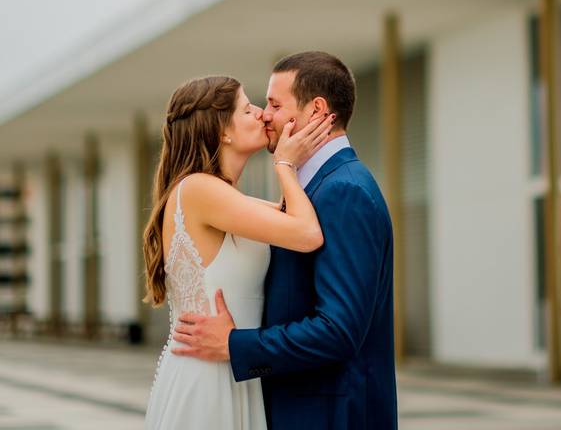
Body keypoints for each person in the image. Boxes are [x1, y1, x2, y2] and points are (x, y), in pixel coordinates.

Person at [171, 52, 398, 430]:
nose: (265, 114)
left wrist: (236, 344)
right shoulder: (313, 189)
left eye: (275, 104)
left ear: (316, 110)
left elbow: (338, 330)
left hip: (329, 417)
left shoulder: (344, 191)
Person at [144, 74, 334, 429]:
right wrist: (284, 165)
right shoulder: (200, 189)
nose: (262, 114)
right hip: (206, 379)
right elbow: (307, 234)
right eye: (248, 109)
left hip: (231, 367)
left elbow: (292, 217)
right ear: (222, 131)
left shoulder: (226, 198)